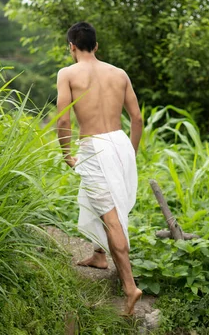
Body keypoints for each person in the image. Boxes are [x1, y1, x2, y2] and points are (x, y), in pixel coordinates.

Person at [56, 22, 143, 316]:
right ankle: (98, 255)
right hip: (119, 142)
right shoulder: (119, 74)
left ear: (71, 47)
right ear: (96, 45)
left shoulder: (67, 74)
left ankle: (130, 287)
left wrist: (67, 154)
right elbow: (137, 118)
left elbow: (64, 120)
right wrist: (130, 152)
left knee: (111, 216)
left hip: (94, 146)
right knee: (99, 198)